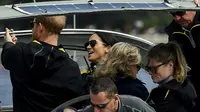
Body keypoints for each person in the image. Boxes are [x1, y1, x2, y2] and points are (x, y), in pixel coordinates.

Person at [1, 16, 86, 112]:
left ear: (40, 27)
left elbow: (7, 56)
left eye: (32, 24)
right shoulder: (72, 66)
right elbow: (76, 101)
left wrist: (8, 43)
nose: (32, 29)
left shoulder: (21, 52)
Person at [84, 32, 157, 92]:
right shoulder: (135, 88)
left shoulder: (97, 81)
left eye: (92, 43)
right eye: (137, 66)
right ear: (129, 65)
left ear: (108, 48)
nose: (88, 47)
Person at [146, 42, 198, 112]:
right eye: (148, 68)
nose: (149, 73)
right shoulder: (187, 85)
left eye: (154, 69)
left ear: (170, 65)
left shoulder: (163, 94)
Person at [164, 10, 200, 102]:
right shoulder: (173, 31)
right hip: (190, 90)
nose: (177, 18)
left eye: (180, 13)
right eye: (173, 14)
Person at [84, 77, 156, 112]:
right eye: (93, 105)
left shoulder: (136, 107)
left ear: (115, 99)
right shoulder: (93, 108)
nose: (96, 111)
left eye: (101, 106)